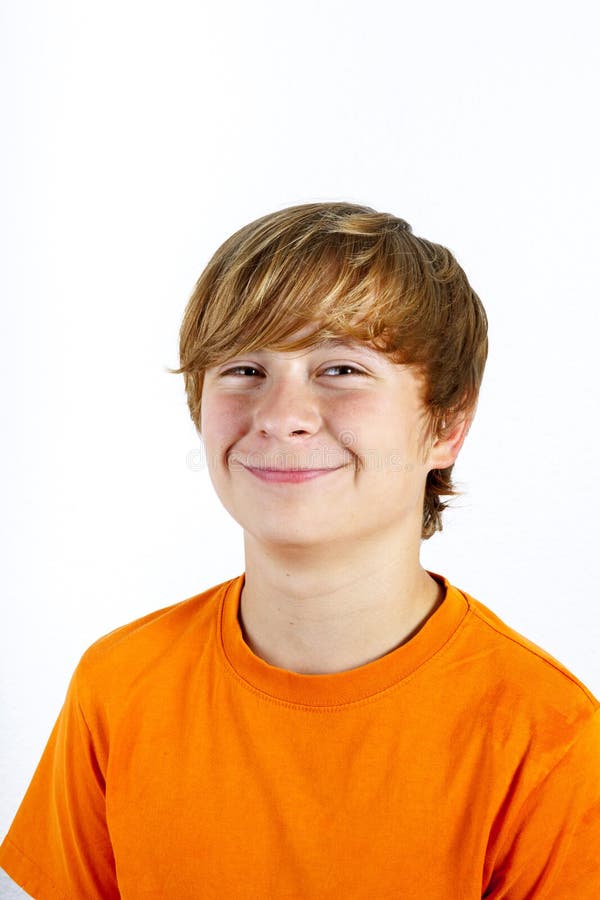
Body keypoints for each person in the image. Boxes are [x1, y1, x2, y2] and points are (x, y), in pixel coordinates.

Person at [1, 201, 598, 899]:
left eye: (341, 369)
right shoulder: (118, 687)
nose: (281, 416)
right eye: (245, 369)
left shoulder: (549, 742)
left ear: (446, 425)